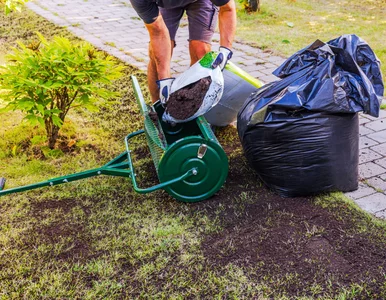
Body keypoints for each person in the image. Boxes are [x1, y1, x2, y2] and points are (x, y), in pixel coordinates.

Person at [129, 0, 237, 103]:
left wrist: (225, 49)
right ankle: (158, 107)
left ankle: (191, 107)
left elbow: (227, 8)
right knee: (156, 57)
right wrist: (164, 79)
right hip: (166, 5)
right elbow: (158, 32)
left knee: (201, 51)